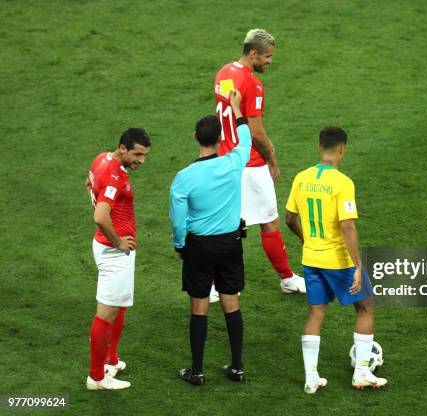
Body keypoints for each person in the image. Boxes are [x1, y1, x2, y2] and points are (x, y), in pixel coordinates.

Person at [285, 126, 388, 393]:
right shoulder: (343, 183)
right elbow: (348, 227)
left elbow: (289, 218)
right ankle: (362, 373)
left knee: (316, 313)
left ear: (319, 147)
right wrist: (356, 265)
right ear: (342, 149)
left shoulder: (300, 178)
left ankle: (311, 378)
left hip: (311, 258)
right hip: (338, 261)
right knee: (365, 307)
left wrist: (306, 240)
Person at [212, 28, 305, 300]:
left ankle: (218, 286)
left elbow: (227, 111)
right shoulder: (253, 84)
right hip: (250, 164)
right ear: (253, 53)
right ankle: (287, 279)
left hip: (226, 159)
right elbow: (255, 132)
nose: (269, 62)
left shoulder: (224, 73)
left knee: (228, 225)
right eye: (267, 56)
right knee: (270, 222)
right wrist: (272, 157)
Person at [169, 90, 249, 386]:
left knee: (199, 305)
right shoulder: (234, 162)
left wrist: (180, 245)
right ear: (219, 139)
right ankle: (238, 366)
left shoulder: (184, 177)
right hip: (231, 244)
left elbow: (178, 220)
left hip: (199, 247)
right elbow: (246, 138)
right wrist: (237, 109)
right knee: (232, 302)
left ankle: (197, 371)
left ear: (195, 137)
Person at [84, 128, 151, 390]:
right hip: (114, 252)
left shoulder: (102, 158)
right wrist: (118, 241)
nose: (141, 161)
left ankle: (111, 359)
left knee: (119, 306)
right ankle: (97, 378)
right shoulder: (114, 177)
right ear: (123, 148)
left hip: (112, 250)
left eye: (145, 155)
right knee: (106, 313)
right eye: (137, 154)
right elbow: (100, 216)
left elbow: (89, 183)